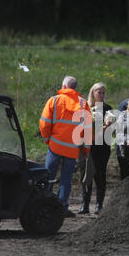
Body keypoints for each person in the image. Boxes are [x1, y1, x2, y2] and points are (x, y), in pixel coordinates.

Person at [39, 76, 92, 218]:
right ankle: (62, 207)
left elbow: (44, 123)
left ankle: (44, 205)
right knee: (66, 179)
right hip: (72, 149)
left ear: (63, 86)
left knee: (48, 176)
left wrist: (46, 139)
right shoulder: (83, 104)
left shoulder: (54, 100)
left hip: (55, 146)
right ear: (75, 88)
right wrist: (85, 150)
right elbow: (88, 130)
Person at [78, 82, 113, 215]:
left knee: (100, 175)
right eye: (99, 92)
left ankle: (99, 204)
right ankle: (85, 204)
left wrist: (106, 127)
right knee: (86, 175)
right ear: (93, 93)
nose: (102, 95)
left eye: (103, 93)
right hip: (87, 146)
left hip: (102, 147)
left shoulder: (107, 109)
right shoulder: (85, 108)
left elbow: (109, 130)